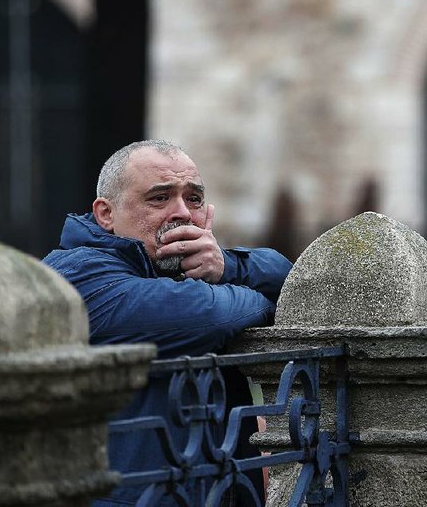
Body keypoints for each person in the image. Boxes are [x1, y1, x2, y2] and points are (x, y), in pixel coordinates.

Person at [44, 139, 292, 506]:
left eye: (193, 199)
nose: (182, 213)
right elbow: (209, 316)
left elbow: (291, 278)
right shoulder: (77, 272)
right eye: (160, 198)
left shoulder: (189, 267)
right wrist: (250, 294)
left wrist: (228, 266)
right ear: (105, 214)